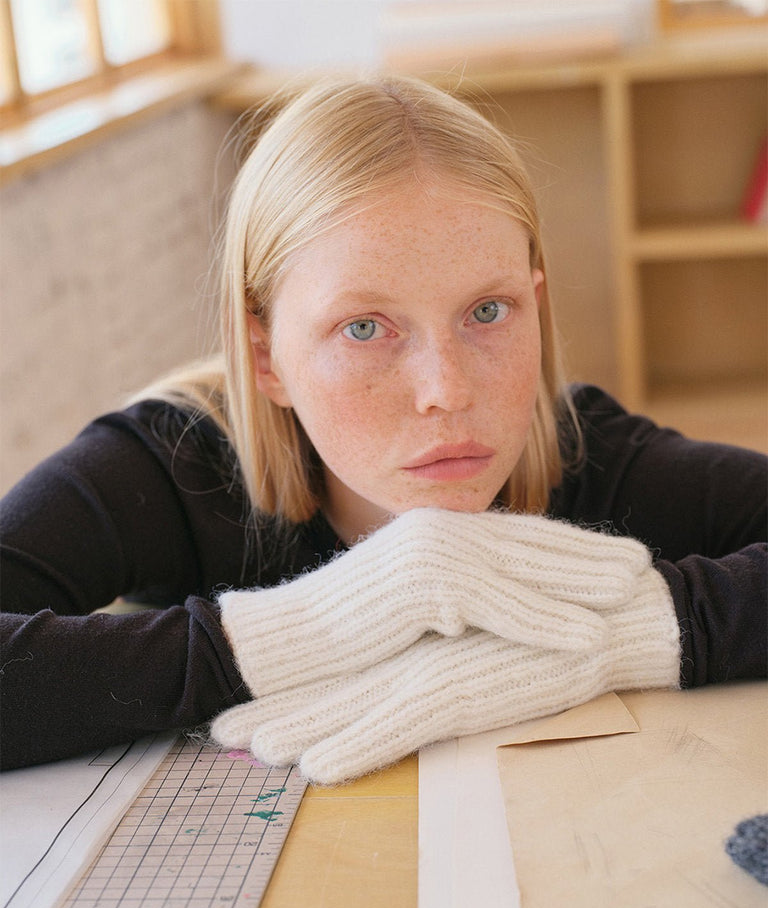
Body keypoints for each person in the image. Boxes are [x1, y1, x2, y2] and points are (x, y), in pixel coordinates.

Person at [1, 75, 765, 785]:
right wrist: (311, 630)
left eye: (488, 312)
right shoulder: (173, 465)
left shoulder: (585, 451)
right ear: (265, 356)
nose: (447, 391)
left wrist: (622, 638)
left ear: (536, 303)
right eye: (365, 327)